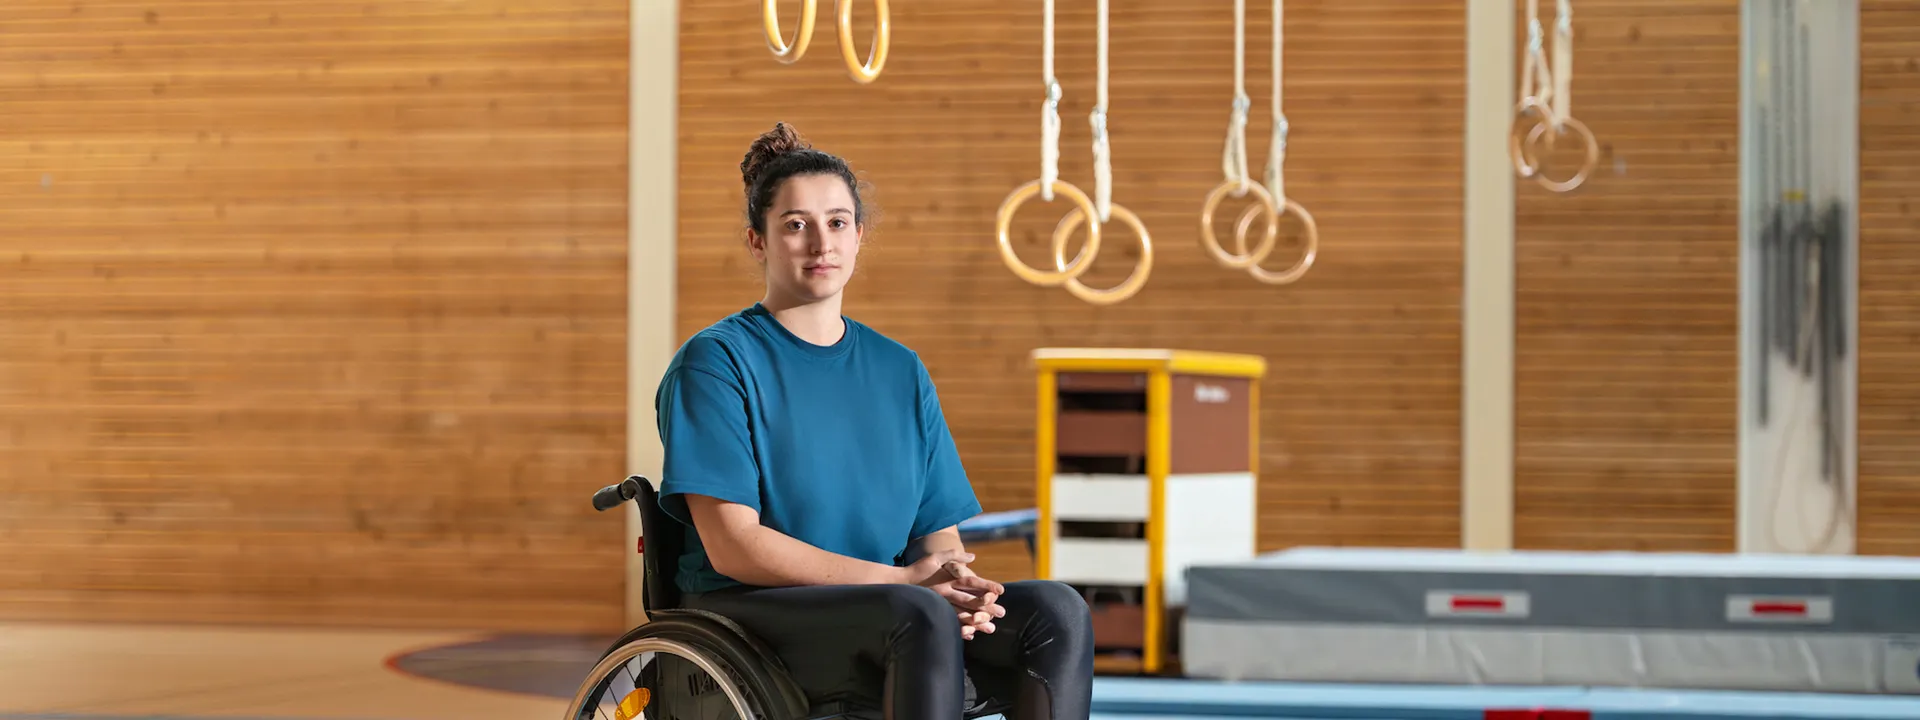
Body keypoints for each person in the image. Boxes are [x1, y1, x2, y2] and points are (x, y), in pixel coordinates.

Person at [651, 122, 1095, 720]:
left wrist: (956, 584)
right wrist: (903, 583)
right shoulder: (716, 363)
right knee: (915, 616)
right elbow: (735, 546)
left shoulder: (900, 370)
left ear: (858, 236)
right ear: (758, 242)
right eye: (794, 225)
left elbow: (938, 534)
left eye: (836, 222)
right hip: (753, 610)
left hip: (892, 603)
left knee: (1057, 611)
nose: (820, 243)